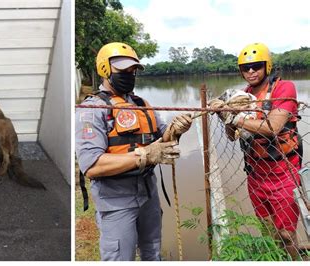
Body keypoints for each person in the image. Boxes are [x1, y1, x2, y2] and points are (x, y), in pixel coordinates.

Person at [75, 42, 192, 261]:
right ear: (104, 69)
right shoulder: (91, 109)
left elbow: (162, 138)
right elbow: (91, 166)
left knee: (152, 251)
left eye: (133, 71)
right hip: (116, 200)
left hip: (147, 193)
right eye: (123, 71)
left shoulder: (141, 103)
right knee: (121, 257)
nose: (129, 75)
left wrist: (176, 129)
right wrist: (144, 155)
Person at [210, 42, 302, 259]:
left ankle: (296, 260)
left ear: (267, 66)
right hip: (255, 172)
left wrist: (234, 117)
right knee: (268, 229)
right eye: (245, 68)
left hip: (283, 171)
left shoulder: (284, 88)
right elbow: (232, 136)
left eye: (256, 66)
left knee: (286, 233)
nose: (251, 71)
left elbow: (274, 127)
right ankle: (276, 259)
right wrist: (225, 115)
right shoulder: (243, 95)